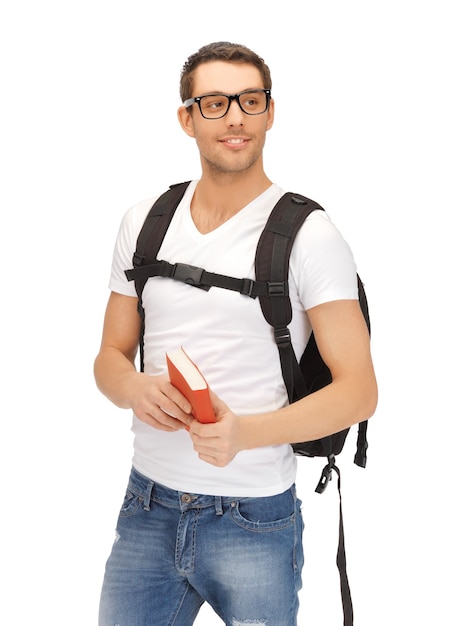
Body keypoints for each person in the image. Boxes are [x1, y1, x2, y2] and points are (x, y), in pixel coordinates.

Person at [94, 41, 377, 626]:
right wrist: (134, 390)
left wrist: (244, 433)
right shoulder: (143, 221)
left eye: (250, 100)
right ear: (188, 118)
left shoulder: (310, 235)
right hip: (145, 505)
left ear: (271, 112)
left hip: (254, 519)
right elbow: (110, 357)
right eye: (216, 103)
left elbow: (360, 392)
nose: (236, 118)